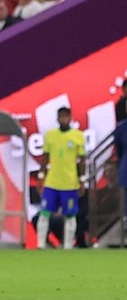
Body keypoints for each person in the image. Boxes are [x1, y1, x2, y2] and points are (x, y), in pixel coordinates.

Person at [36, 107, 86, 250]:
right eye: (61, 117)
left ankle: (68, 245)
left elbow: (81, 160)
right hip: (52, 183)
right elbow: (45, 158)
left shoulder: (78, 136)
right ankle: (40, 245)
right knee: (44, 213)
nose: (63, 119)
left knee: (70, 215)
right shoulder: (50, 135)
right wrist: (41, 177)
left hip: (70, 183)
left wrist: (81, 180)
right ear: (57, 119)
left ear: (70, 118)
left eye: (66, 116)